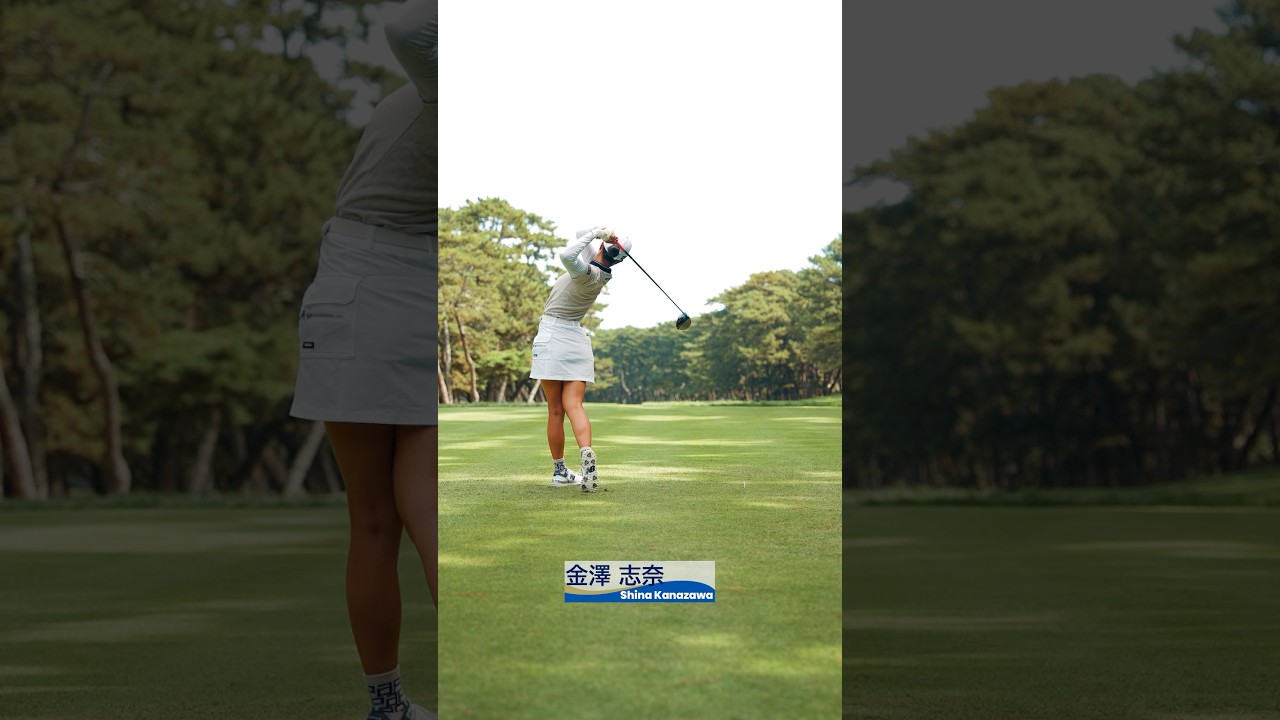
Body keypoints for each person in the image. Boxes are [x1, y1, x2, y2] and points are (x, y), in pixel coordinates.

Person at [288, 1, 437, 718]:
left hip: (369, 285)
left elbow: (406, 25)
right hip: (402, 287)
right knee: (415, 511)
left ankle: (392, 705)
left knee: (382, 518)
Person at [530, 226, 633, 493]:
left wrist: (598, 232)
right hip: (576, 339)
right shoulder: (602, 272)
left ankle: (560, 471)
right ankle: (586, 452)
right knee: (574, 405)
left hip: (552, 335)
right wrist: (599, 234)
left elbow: (567, 255)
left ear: (602, 247)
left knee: (555, 410)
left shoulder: (585, 271)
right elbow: (579, 234)